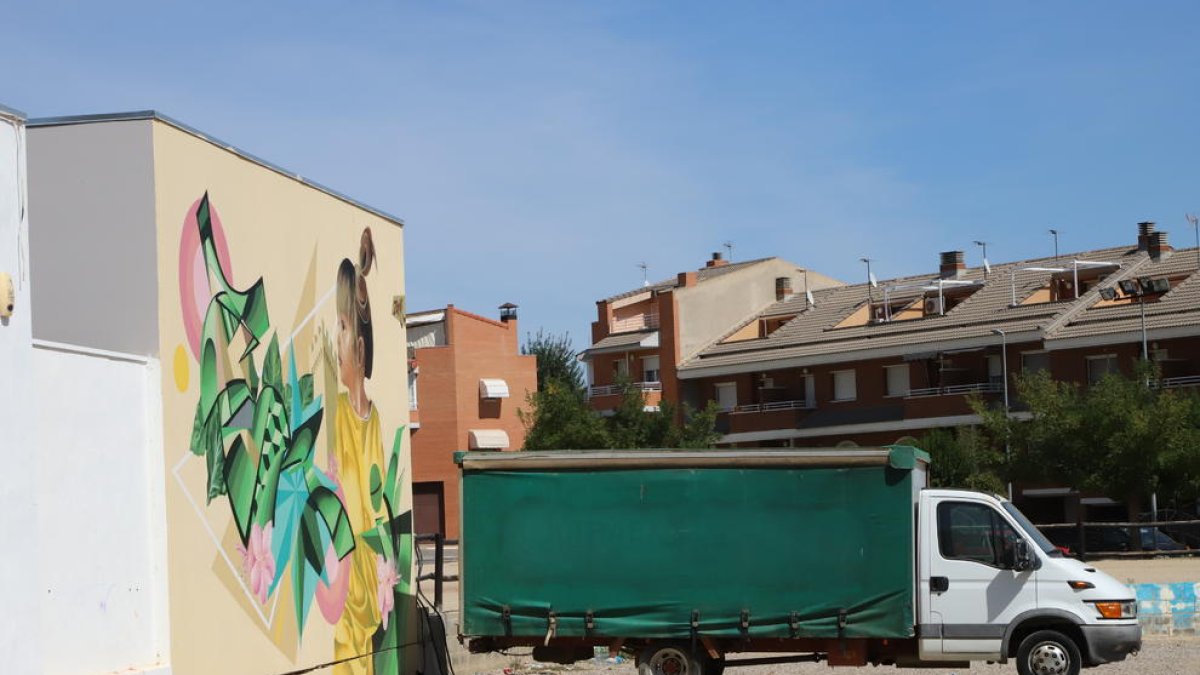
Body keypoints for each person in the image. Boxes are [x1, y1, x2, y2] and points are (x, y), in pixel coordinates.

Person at [329, 228, 387, 675]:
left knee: (355, 648)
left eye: (343, 328)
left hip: (360, 563)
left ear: (360, 348)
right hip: (350, 561)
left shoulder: (360, 418)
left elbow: (374, 494)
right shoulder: (344, 413)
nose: (336, 341)